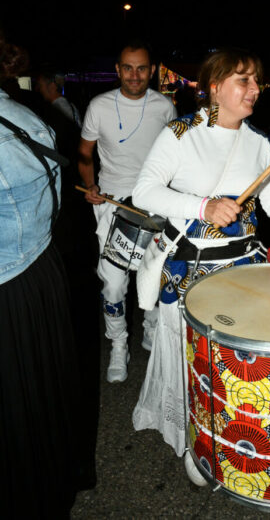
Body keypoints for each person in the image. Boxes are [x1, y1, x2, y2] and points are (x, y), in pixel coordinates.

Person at [131, 47, 270, 467]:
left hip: (242, 267)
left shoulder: (261, 141)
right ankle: (192, 437)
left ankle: (232, 435)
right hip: (190, 265)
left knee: (235, 362)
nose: (255, 89)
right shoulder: (182, 133)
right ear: (215, 88)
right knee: (192, 357)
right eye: (244, 80)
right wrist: (204, 207)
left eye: (257, 81)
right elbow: (143, 192)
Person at [0, 42, 83, 517]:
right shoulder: (23, 115)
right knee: (37, 400)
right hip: (37, 273)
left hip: (14, 281)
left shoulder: (24, 119)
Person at [78, 42, 176, 383]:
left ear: (152, 70)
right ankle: (118, 345)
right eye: (128, 68)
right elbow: (85, 153)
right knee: (114, 284)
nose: (135, 75)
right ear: (118, 69)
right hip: (111, 203)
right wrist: (91, 186)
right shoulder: (99, 105)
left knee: (153, 273)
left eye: (142, 68)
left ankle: (150, 326)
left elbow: (174, 156)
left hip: (155, 201)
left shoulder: (165, 106)